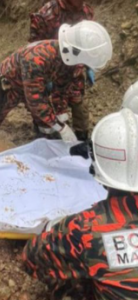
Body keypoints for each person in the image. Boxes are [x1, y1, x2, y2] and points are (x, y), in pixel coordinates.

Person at [23, 108, 138, 299]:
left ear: (96, 165)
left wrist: (55, 227)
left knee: (69, 274)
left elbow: (31, 258)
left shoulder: (86, 229)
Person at [0, 21, 112, 145]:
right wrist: (62, 128)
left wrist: (60, 113)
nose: (82, 68)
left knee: (46, 124)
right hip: (9, 85)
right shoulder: (36, 60)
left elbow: (62, 89)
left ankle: (43, 142)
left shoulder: (68, 60)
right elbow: (36, 101)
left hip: (35, 82)